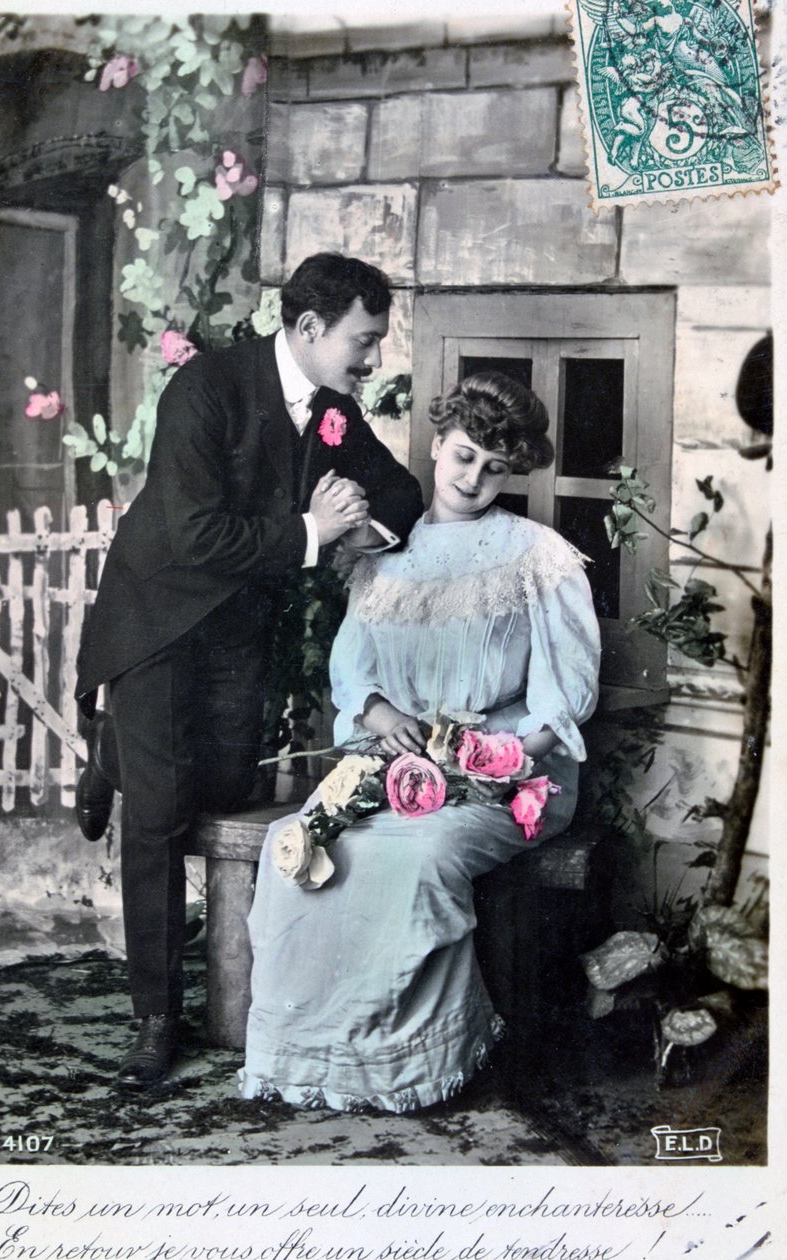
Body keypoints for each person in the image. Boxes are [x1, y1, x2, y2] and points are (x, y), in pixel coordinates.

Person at [74, 253, 424, 1088]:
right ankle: (156, 1018)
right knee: (160, 816)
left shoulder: (333, 408)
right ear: (308, 327)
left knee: (226, 788)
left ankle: (113, 753)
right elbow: (195, 536)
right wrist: (311, 531)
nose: (373, 358)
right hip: (160, 617)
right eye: (363, 340)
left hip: (236, 630)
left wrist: (361, 532)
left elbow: (402, 494)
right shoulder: (203, 390)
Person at [240, 371, 601, 1113]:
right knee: (297, 843)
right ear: (437, 445)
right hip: (395, 764)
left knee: (418, 854)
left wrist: (500, 756)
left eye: (495, 468)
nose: (473, 479)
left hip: (510, 775)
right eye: (464, 456)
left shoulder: (536, 555)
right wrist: (382, 720)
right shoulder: (384, 555)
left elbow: (566, 691)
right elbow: (354, 672)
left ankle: (409, 1062)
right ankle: (313, 1054)